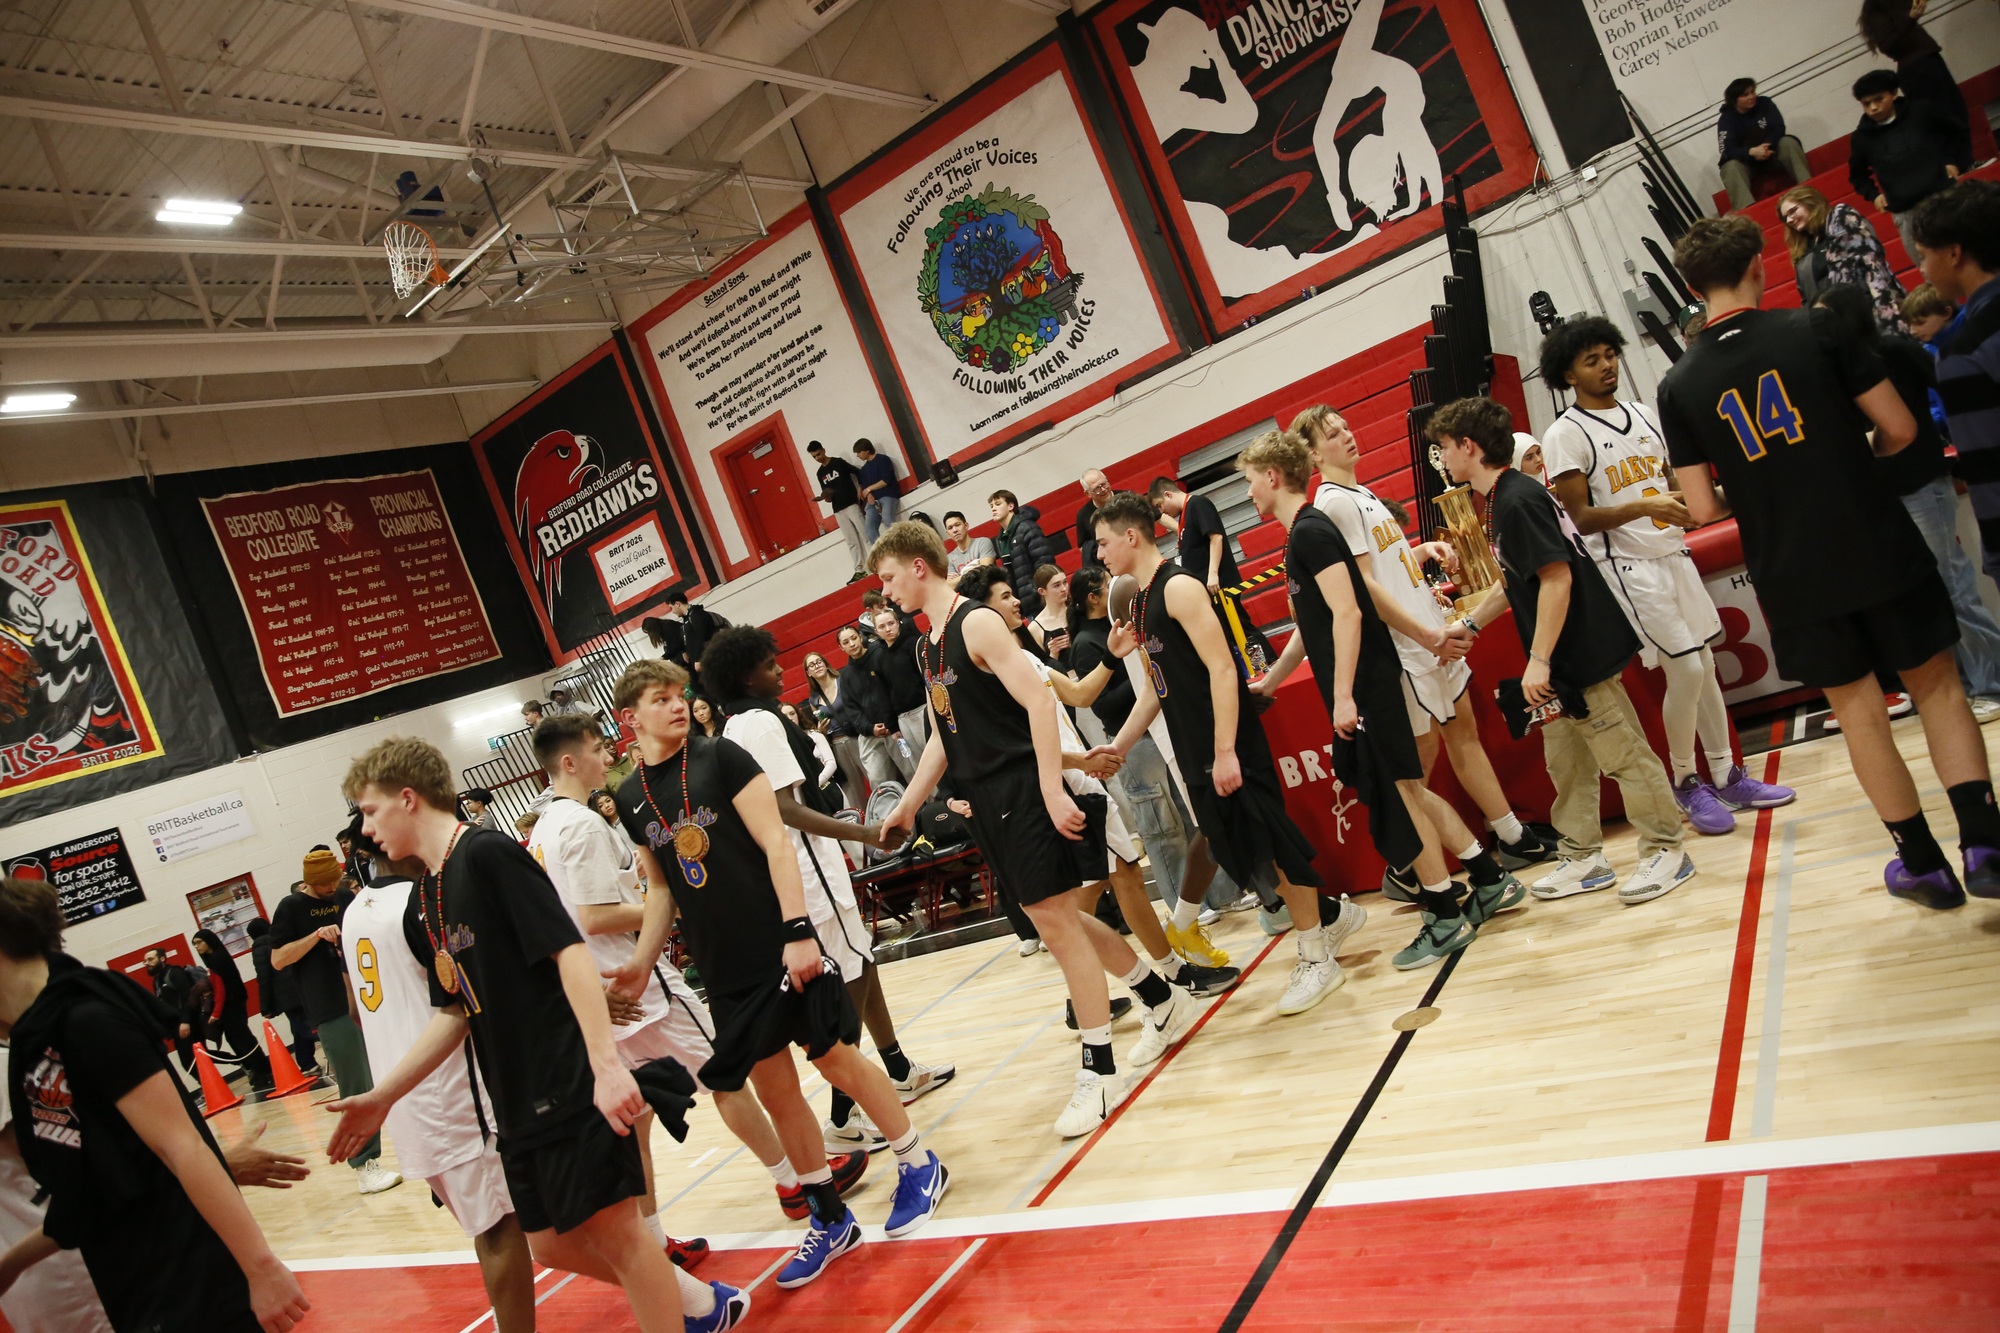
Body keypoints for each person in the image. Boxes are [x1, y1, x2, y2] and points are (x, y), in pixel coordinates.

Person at [329, 739, 749, 1332]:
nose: (366, 831)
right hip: (514, 1101)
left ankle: (699, 1311)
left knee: (622, 1239)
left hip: (567, 1082)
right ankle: (704, 1305)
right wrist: (383, 1096)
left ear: (408, 798)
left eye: (370, 811)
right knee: (550, 1245)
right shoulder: (428, 894)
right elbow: (454, 1012)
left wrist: (606, 1067)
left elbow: (569, 951)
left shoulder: (488, 855)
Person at [1660, 213, 2000, 908]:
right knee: (1938, 689)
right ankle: (1986, 845)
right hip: (1875, 540)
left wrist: (1760, 484)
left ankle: (1923, 865)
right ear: (1756, 265)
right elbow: (1900, 427)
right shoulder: (1816, 327)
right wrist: (1848, 458)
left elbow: (1702, 508)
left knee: (1860, 714)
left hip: (1792, 571)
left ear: (1692, 288)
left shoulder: (1678, 384)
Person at [606, 658, 951, 1286]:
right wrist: (638, 964)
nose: (678, 705)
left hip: (780, 943)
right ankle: (830, 1216)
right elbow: (660, 889)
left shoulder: (723, 757)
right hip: (722, 966)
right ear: (630, 718)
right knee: (776, 1091)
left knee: (836, 1060)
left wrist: (797, 930)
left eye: (680, 695)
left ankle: (919, 1163)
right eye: (661, 699)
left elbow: (775, 842)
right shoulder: (631, 798)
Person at [866, 522, 1200, 1136]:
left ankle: (1100, 1072)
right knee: (1058, 918)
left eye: (888, 579)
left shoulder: (977, 623)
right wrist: (909, 804)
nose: (885, 594)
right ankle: (1161, 997)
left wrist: (1049, 787)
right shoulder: (925, 646)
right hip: (985, 798)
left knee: (1057, 925)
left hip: (1020, 789)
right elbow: (942, 733)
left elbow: (1042, 701)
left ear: (917, 566)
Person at [528, 714, 863, 1239]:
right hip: (637, 983)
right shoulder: (582, 824)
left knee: (636, 1117)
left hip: (596, 990)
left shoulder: (542, 828)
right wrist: (681, 905)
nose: (608, 758)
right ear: (569, 762)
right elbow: (594, 915)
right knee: (726, 1077)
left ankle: (654, 1239)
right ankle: (794, 1181)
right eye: (596, 749)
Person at [1239, 430, 1530, 967]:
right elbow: (1316, 621)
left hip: (1370, 683)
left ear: (1273, 477)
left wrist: (1343, 696)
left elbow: (1349, 613)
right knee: (1410, 790)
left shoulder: (1311, 532)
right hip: (1368, 681)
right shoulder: (1307, 532)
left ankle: (1444, 914)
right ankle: (1488, 878)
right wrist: (1274, 680)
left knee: (1402, 796)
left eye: (1251, 480)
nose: (1249, 491)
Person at [0, 876, 313, 1333]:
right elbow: (96, 1192)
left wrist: (259, 1267)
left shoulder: (87, 1019)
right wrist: (10, 1265)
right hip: (133, 1287)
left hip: (190, 1285)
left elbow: (181, 1147)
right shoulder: (32, 1043)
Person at [1095, 493, 1362, 1014]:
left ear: (1130, 536)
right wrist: (1119, 746)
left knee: (1272, 843)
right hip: (1196, 747)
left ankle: (1317, 956)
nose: (1099, 554)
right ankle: (1331, 917)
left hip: (1227, 743)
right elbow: (1154, 687)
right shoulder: (1141, 603)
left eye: (1104, 543)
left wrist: (1225, 751)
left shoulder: (1179, 587)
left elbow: (1222, 668)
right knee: (1242, 846)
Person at [701, 627, 959, 1152]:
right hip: (807, 866)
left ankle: (897, 1068)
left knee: (863, 959)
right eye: (769, 665)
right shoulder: (761, 724)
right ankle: (843, 1115)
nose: (780, 670)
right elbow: (784, 809)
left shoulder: (738, 724)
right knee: (849, 976)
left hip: (806, 865)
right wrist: (865, 833)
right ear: (745, 675)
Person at [1536, 316, 1798, 831]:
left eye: (1610, 354)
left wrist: (1684, 498)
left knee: (1706, 665)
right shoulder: (1564, 434)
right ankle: (1685, 780)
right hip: (1626, 567)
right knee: (1688, 671)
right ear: (1568, 374)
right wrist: (1644, 506)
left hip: (1672, 553)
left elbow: (1666, 482)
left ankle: (1726, 774)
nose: (1607, 366)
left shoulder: (1642, 413)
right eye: (1592, 360)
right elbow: (1580, 518)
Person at [1430, 397, 1696, 904]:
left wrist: (1539, 659)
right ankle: (1583, 855)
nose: (1441, 457)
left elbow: (1556, 579)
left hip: (1577, 653)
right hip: (1558, 661)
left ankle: (1666, 848)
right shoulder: (1504, 497)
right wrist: (1469, 623)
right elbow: (1516, 578)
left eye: (1444, 446)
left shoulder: (1516, 500)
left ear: (1468, 446)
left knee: (1623, 755)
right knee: (1566, 762)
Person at [1287, 404, 1557, 871]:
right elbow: (1363, 587)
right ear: (1313, 454)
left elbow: (1383, 567)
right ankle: (1411, 868)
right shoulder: (1334, 503)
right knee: (1415, 772)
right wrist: (1424, 635)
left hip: (1429, 638)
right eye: (1332, 434)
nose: (1347, 434)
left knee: (1464, 736)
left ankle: (1512, 834)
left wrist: (1420, 551)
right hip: (1407, 648)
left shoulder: (1361, 492)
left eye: (1346, 426)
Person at [957, 564, 1242, 1001]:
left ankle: (1092, 995)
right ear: (982, 611)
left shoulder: (1025, 657)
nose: (1015, 601)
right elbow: (1014, 745)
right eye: (1004, 597)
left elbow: (1079, 695)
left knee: (1100, 885)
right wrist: (1078, 761)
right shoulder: (991, 672)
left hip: (1071, 776)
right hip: (1062, 783)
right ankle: (1159, 978)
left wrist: (1111, 656)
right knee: (1101, 886)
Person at [336, 823, 539, 1331]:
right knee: (502, 1227)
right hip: (448, 1093)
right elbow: (461, 1003)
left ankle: (677, 1290)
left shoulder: (354, 910)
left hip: (404, 1094)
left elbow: (358, 1011)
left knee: (502, 1223)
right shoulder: (419, 905)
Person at [1815, 282, 2000, 721]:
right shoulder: (1835, 370)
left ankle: (1991, 684)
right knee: (1920, 595)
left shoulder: (1896, 352)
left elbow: (1950, 389)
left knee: (1952, 586)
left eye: (1825, 316)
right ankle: (1958, 687)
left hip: (1921, 484)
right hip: (1880, 494)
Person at [270, 848, 401, 1195]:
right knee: (356, 1084)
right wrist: (315, 936)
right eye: (325, 884)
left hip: (371, 998)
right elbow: (278, 959)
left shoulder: (345, 897)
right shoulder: (290, 908)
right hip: (330, 1007)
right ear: (311, 882)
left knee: (399, 1070)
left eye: (335, 881)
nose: (332, 887)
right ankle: (364, 1163)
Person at [1911, 181, 2000, 583]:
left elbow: (1989, 471)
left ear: (1954, 254)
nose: (1922, 269)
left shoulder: (1964, 353)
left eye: (1923, 256)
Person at [1849, 68, 1967, 259]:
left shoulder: (1921, 112)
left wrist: (1951, 160)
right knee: (1928, 267)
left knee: (1973, 252)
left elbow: (1955, 131)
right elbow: (1857, 175)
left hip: (1944, 196)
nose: (1873, 108)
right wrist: (1874, 195)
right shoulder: (1861, 138)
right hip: (1906, 211)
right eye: (1866, 104)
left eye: (1879, 99)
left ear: (1894, 93)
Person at [1859, 0, 1973, 168]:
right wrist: (1910, 19)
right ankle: (1956, 165)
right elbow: (1887, 45)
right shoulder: (1877, 11)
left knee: (1956, 109)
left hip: (1927, 60)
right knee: (1942, 116)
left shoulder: (1894, 6)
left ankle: (1966, 162)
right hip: (1916, 67)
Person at [1779, 186, 1908, 331]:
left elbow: (1871, 263)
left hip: (1868, 311)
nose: (1789, 220)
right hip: (1834, 324)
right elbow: (1806, 296)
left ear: (1810, 202)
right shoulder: (1802, 248)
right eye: (1785, 217)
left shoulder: (1841, 218)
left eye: (1793, 211)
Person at [190, 931, 274, 1093]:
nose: (197, 946)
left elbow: (221, 989)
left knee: (242, 1039)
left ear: (208, 941)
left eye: (199, 942)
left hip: (232, 1004)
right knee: (237, 1039)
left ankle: (263, 1070)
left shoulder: (217, 958)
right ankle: (258, 1071)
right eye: (194, 944)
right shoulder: (216, 958)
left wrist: (216, 1012)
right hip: (232, 1004)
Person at [1716, 78, 1813, 212]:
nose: (1752, 97)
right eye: (1745, 95)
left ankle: (1809, 190)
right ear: (1734, 100)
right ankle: (1748, 212)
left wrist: (1766, 145)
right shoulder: (1726, 119)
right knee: (1730, 166)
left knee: (1788, 142)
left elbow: (1779, 127)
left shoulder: (1765, 103)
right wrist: (1751, 152)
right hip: (1748, 164)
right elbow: (1728, 149)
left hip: (1772, 154)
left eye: (1753, 92)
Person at [246, 914, 316, 1076]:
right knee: (299, 1029)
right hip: (301, 988)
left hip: (286, 996)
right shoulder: (280, 940)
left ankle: (330, 1045)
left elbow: (264, 978)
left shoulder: (259, 949)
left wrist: (266, 1007)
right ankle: (307, 1063)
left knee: (304, 1028)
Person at [803, 650, 872, 806]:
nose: (816, 666)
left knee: (875, 776)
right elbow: (820, 726)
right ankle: (861, 819)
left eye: (819, 662)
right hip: (837, 743)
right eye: (812, 665)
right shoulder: (813, 699)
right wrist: (821, 731)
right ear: (808, 673)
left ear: (825, 664)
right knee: (853, 792)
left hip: (858, 737)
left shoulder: (842, 681)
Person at [1148, 477, 1240, 594]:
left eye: (1160, 505)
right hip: (1205, 588)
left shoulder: (1197, 504)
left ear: (1168, 495)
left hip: (1218, 586)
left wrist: (1213, 574)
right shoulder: (1185, 514)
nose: (1161, 511)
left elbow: (1216, 538)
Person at [836, 625, 901, 787]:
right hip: (870, 734)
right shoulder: (845, 676)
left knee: (913, 771)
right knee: (878, 781)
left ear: (860, 637)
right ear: (841, 648)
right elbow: (851, 709)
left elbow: (896, 688)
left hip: (896, 726)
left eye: (853, 638)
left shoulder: (880, 655)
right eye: (846, 642)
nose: (852, 644)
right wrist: (870, 728)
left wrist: (892, 721)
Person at [870, 609, 928, 782]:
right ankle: (936, 797)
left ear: (898, 623)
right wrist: (893, 726)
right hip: (903, 719)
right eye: (882, 626)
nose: (888, 629)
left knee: (935, 758)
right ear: (876, 631)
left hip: (923, 710)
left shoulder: (912, 644)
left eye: (891, 624)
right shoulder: (878, 658)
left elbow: (926, 677)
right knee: (918, 766)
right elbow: (883, 694)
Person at [808, 441, 870, 582]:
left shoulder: (838, 462)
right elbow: (827, 493)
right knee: (851, 541)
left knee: (865, 534)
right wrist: (825, 497)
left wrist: (860, 488)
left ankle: (878, 561)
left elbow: (857, 472)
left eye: (818, 454)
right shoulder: (820, 473)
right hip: (837, 509)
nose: (817, 458)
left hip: (851, 503)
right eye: (814, 457)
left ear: (823, 450)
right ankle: (859, 570)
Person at [988, 490, 1055, 617]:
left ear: (1010, 506)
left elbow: (1044, 562)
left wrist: (1035, 591)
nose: (993, 509)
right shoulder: (1000, 539)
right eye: (991, 506)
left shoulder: (1027, 527)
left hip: (1041, 599)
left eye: (998, 504)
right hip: (1024, 604)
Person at [140, 947, 200, 1077]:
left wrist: (185, 1021)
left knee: (193, 1059)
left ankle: (236, 1060)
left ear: (162, 959)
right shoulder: (157, 981)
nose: (147, 963)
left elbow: (188, 998)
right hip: (176, 1028)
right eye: (145, 961)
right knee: (188, 1061)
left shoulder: (175, 973)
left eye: (150, 959)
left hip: (188, 1024)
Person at [854, 441, 901, 545]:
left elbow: (885, 481)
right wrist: (869, 495)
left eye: (859, 452)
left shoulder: (883, 460)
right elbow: (865, 488)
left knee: (887, 518)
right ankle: (879, 551)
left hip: (888, 494)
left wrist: (869, 489)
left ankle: (900, 544)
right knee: (869, 527)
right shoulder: (863, 470)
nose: (857, 455)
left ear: (867, 450)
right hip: (873, 500)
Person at [1029, 564, 1073, 666]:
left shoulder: (1078, 609)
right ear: (1042, 591)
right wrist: (1053, 654)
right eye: (1057, 585)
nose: (1064, 589)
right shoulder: (1035, 628)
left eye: (1065, 582)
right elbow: (1042, 668)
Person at [1075, 469, 1115, 568]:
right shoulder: (1083, 515)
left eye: (1104, 484)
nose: (1103, 489)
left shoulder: (1127, 498)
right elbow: (1083, 548)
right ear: (1088, 494)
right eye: (1097, 488)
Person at [942, 511, 996, 577]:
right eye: (950, 528)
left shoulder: (982, 542)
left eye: (957, 525)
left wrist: (961, 576)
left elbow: (985, 571)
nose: (955, 530)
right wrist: (976, 569)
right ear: (948, 534)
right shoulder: (949, 558)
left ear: (966, 526)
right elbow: (951, 582)